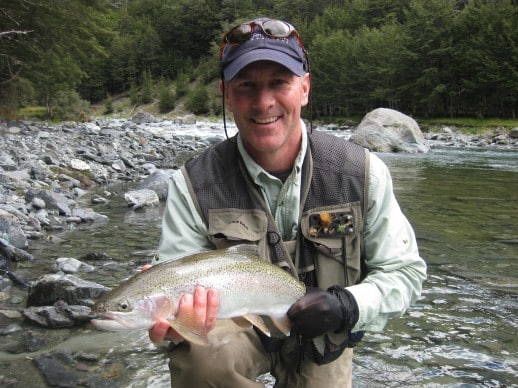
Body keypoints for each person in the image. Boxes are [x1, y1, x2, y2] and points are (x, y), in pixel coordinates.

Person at [149, 17, 427, 387]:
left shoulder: (361, 173)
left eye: (278, 83)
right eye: (246, 86)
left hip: (325, 334)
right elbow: (172, 279)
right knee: (200, 362)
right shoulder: (193, 185)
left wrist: (348, 305)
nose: (263, 103)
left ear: (305, 89)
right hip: (234, 329)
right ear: (226, 95)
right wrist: (174, 324)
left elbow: (405, 273)